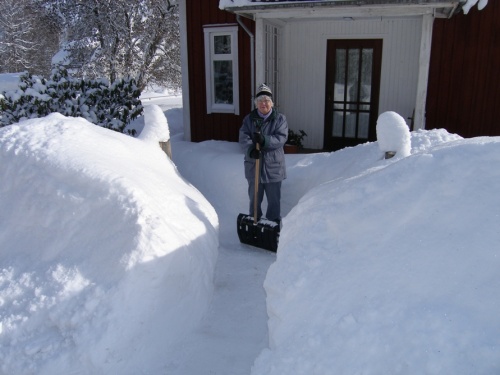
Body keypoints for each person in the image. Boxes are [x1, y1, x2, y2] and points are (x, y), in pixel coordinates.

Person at [239, 84, 288, 225]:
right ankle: (254, 223)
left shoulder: (280, 119)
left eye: (266, 100)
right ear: (256, 103)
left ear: (271, 102)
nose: (263, 103)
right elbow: (243, 138)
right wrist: (251, 150)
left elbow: (281, 138)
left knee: (274, 201)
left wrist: (265, 140)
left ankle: (272, 227)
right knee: (254, 200)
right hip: (254, 167)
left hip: (273, 168)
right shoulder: (249, 119)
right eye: (260, 100)